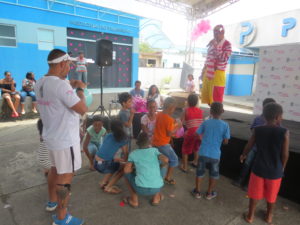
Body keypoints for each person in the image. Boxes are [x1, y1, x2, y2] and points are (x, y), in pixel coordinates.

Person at [34, 49, 87, 225]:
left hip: (51, 138)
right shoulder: (61, 86)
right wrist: (80, 89)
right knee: (65, 178)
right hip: (66, 140)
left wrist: (70, 82)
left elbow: (58, 89)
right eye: (69, 64)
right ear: (62, 64)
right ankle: (62, 218)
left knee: (55, 171)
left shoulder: (40, 83)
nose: (70, 67)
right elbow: (82, 109)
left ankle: (51, 202)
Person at [240, 103, 289, 224]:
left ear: (264, 116)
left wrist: (243, 154)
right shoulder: (284, 132)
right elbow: (285, 154)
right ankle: (268, 216)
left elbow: (249, 145)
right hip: (275, 171)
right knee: (272, 197)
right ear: (278, 117)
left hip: (258, 169)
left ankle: (250, 216)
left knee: (254, 195)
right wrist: (282, 167)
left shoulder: (258, 130)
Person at [232, 98, 276, 189]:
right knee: (247, 163)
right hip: (255, 146)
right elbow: (252, 131)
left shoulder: (275, 122)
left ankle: (248, 184)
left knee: (254, 166)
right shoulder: (258, 119)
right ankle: (240, 180)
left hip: (262, 148)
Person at [192, 102, 230, 200]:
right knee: (214, 174)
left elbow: (196, 134)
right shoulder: (225, 125)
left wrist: (202, 138)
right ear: (223, 111)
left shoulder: (206, 122)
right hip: (215, 155)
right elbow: (226, 142)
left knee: (199, 172)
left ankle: (197, 191)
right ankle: (209, 193)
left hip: (203, 152)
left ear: (210, 111)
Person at [123, 132, 169, 207]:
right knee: (163, 168)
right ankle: (156, 198)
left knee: (126, 175)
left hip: (140, 189)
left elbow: (126, 170)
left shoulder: (133, 153)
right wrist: (161, 166)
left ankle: (134, 200)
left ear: (137, 142)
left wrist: (134, 171)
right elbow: (166, 160)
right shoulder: (154, 150)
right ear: (149, 142)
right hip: (157, 188)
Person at [152, 97, 182, 185]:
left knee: (160, 159)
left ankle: (158, 173)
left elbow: (162, 127)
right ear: (171, 108)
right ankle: (167, 177)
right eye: (174, 108)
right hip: (163, 144)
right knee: (174, 159)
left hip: (155, 141)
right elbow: (169, 133)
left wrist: (174, 124)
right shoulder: (169, 119)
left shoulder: (158, 114)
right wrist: (178, 126)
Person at [94, 119, 128, 194]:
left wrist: (118, 160)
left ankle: (103, 182)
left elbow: (106, 152)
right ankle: (108, 187)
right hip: (104, 164)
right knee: (122, 169)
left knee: (114, 162)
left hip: (96, 163)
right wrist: (125, 163)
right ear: (121, 127)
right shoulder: (122, 139)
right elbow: (126, 153)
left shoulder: (108, 135)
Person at [201, 25, 232, 105]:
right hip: (208, 72)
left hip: (218, 73)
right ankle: (212, 116)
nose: (215, 36)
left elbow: (224, 58)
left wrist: (216, 46)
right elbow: (208, 58)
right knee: (208, 99)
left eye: (217, 33)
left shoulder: (227, 44)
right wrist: (203, 71)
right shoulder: (212, 43)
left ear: (222, 33)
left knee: (216, 100)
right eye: (214, 34)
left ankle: (216, 116)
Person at [180, 94, 203, 173]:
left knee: (185, 150)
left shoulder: (186, 110)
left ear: (188, 102)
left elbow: (181, 122)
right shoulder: (200, 110)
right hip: (199, 133)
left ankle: (184, 167)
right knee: (196, 148)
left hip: (190, 133)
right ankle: (195, 162)